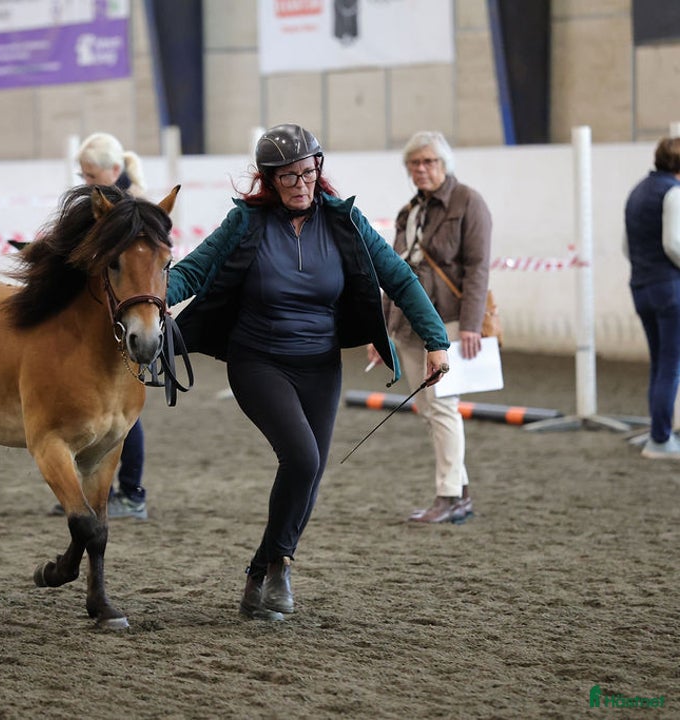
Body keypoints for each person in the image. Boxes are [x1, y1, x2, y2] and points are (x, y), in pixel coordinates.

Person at [166, 124, 450, 621]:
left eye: (308, 171)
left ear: (319, 168)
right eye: (288, 176)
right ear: (268, 180)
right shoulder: (245, 224)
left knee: (310, 472)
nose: (301, 183)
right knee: (300, 457)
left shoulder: (346, 222)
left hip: (320, 364)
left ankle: (264, 569)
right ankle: (279, 567)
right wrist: (146, 303)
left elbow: (399, 278)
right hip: (258, 360)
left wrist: (436, 340)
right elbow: (193, 272)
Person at [368, 131, 493, 524]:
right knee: (431, 410)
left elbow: (478, 268)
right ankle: (460, 493)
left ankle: (449, 496)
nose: (421, 169)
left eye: (429, 162)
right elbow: (394, 272)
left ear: (444, 164)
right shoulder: (410, 211)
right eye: (414, 164)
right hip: (407, 323)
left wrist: (471, 324)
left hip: (451, 321)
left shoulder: (469, 202)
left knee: (441, 408)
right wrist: (382, 330)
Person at [52, 132, 150, 518]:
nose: (87, 183)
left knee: (123, 414)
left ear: (114, 170)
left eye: (92, 176)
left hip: (125, 321)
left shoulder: (135, 208)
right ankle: (95, 491)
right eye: (84, 176)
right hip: (98, 322)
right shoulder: (101, 205)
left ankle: (132, 494)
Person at [623, 136, 680, 460]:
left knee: (660, 363)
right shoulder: (672, 192)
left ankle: (660, 432)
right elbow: (674, 243)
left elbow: (626, 247)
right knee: (671, 366)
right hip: (669, 288)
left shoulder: (638, 191)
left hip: (642, 285)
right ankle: (661, 438)